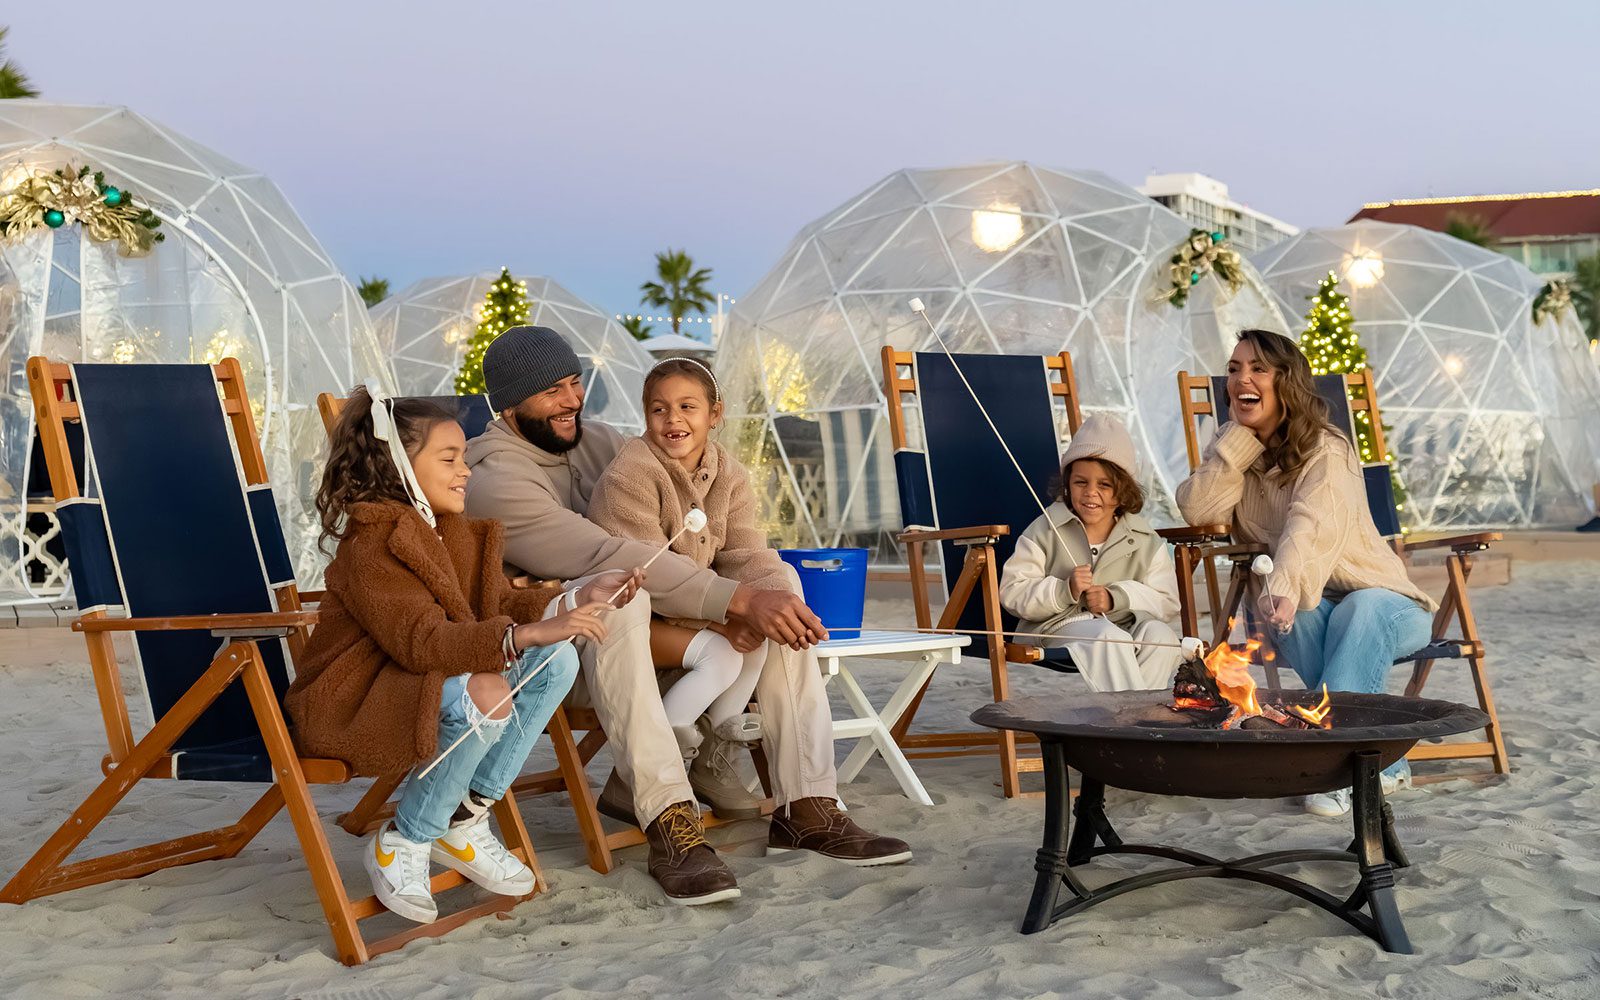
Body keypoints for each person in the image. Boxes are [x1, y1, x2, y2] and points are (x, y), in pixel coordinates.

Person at [462, 326, 911, 906]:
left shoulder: (599, 442)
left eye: (575, 383)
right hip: (559, 657)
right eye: (552, 392)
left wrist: (765, 597)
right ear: (509, 400)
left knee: (779, 594)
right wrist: (733, 603)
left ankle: (807, 805)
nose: (572, 400)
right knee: (620, 596)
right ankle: (669, 817)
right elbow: (610, 557)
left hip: (659, 637)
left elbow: (703, 524)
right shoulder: (493, 479)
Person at [285, 388, 636, 923]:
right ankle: (405, 837)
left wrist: (574, 597)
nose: (466, 470)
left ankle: (464, 817)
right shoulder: (372, 545)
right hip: (353, 700)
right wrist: (526, 635)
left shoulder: (447, 532)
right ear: (398, 465)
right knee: (488, 689)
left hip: (410, 684)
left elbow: (491, 603)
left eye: (464, 458)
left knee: (558, 659)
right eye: (449, 459)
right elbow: (423, 642)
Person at [1176, 329, 1436, 817]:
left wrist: (1285, 588)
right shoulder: (1238, 451)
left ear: (1286, 382)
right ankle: (1381, 762)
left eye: (1257, 369)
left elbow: (1307, 526)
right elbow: (1197, 509)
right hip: (1305, 601)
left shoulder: (1327, 448)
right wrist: (1235, 446)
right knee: (1312, 615)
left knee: (1357, 607)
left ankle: (1338, 768)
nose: (1241, 379)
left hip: (1389, 608)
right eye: (1233, 369)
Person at [586, 358, 783, 822]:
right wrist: (724, 618)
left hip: (694, 608)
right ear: (645, 415)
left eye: (687, 407)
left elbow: (746, 550)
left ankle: (709, 756)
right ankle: (643, 769)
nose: (673, 419)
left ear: (715, 414)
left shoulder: (727, 473)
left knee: (757, 638)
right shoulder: (628, 476)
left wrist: (771, 601)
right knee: (725, 653)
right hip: (632, 614)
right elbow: (653, 573)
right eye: (659, 409)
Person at [998, 414, 1183, 690]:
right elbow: (1012, 592)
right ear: (1067, 484)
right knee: (1108, 637)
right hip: (1056, 628)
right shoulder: (1045, 530)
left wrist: (1116, 597)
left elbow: (1167, 602)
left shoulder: (1145, 540)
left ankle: (1129, 722)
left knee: (1162, 638)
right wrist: (1065, 590)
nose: (1090, 493)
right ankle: (1134, 724)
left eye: (1105, 485)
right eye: (1080, 482)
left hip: (1124, 624)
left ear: (1123, 492)